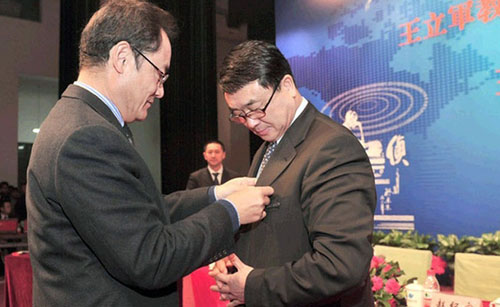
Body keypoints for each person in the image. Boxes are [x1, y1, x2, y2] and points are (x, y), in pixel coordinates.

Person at [26, 2, 273, 306]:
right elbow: (151, 259)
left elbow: (139, 212)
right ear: (122, 58)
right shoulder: (85, 137)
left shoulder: (80, 120)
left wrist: (216, 195)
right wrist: (231, 213)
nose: (160, 91)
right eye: (160, 74)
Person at [210, 40, 377, 306]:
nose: (251, 123)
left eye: (256, 109)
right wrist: (233, 264)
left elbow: (342, 264)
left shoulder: (332, 147)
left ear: (286, 86)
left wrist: (252, 285)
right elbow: (273, 236)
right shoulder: (269, 146)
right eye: (240, 115)